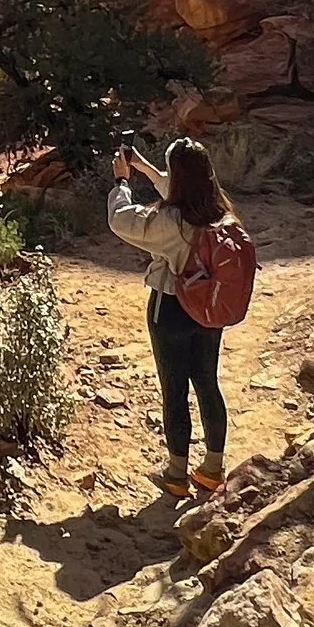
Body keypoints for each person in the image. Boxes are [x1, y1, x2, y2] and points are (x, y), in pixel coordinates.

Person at [109, 135, 232, 497]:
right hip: (209, 307)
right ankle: (212, 469)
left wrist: (122, 182)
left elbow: (120, 219)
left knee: (174, 389)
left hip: (172, 307)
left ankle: (176, 474)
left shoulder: (168, 222)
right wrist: (145, 167)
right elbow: (180, 188)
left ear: (176, 176)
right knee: (207, 383)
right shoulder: (219, 211)